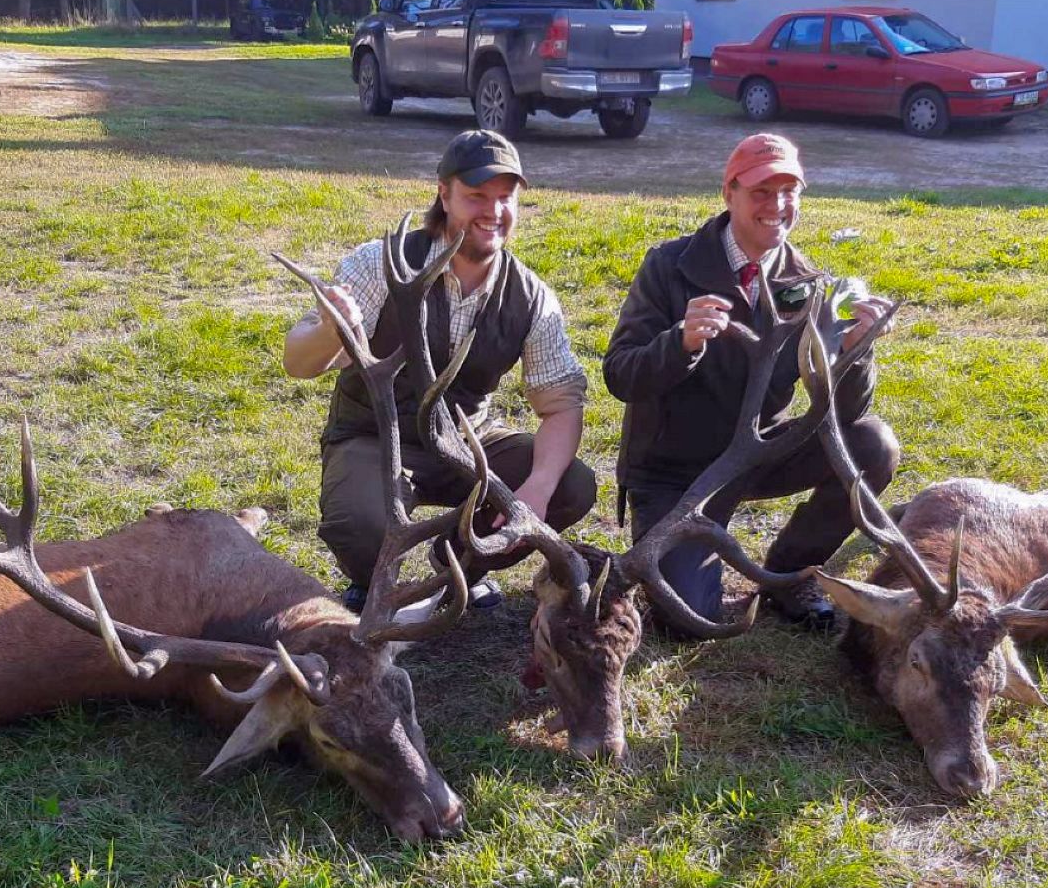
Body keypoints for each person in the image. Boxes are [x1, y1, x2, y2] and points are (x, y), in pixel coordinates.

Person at [283, 129, 597, 611]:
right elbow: (298, 363)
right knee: (361, 525)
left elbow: (561, 404)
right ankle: (373, 576)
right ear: (444, 195)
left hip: (468, 441)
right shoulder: (381, 264)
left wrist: (536, 490)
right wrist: (330, 328)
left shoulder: (530, 297)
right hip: (374, 436)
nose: (494, 211)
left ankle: (461, 564)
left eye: (505, 198)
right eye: (477, 196)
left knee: (570, 484)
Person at [603, 132, 901, 633]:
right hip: (675, 474)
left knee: (873, 445)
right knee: (688, 621)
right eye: (762, 191)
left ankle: (789, 573)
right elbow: (620, 375)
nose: (777, 205)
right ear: (729, 193)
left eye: (789, 192)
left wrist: (855, 353)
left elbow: (844, 414)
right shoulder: (668, 268)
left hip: (759, 456)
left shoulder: (808, 284)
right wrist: (680, 344)